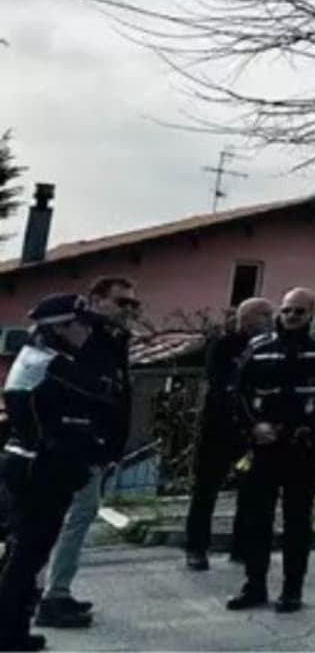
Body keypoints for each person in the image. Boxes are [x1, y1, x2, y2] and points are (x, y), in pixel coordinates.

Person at [227, 287, 315, 614]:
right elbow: (237, 392)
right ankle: (254, 585)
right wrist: (252, 427)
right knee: (258, 520)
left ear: (311, 315)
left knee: (297, 520)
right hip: (266, 446)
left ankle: (292, 589)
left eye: (298, 312)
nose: (290, 317)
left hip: (305, 445)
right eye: (286, 310)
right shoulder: (259, 348)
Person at [1, 294, 116, 653]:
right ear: (61, 327)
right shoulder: (54, 364)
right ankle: (8, 631)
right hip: (43, 470)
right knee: (27, 556)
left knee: (24, 553)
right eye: (82, 324)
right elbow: (102, 393)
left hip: (34, 464)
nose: (88, 331)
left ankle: (14, 626)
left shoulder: (37, 357)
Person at [36, 277, 138, 632]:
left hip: (97, 444)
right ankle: (52, 594)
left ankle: (41, 588)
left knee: (67, 516)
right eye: (120, 302)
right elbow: (81, 393)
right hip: (78, 445)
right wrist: (90, 441)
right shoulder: (82, 336)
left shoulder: (113, 338)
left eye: (132, 305)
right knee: (72, 515)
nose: (128, 310)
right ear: (96, 301)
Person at [184, 297, 275, 571]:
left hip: (250, 430)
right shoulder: (223, 346)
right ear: (247, 318)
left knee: (251, 490)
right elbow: (222, 385)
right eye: (265, 315)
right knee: (206, 489)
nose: (270, 321)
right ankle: (196, 549)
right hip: (218, 427)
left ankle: (242, 547)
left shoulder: (267, 348)